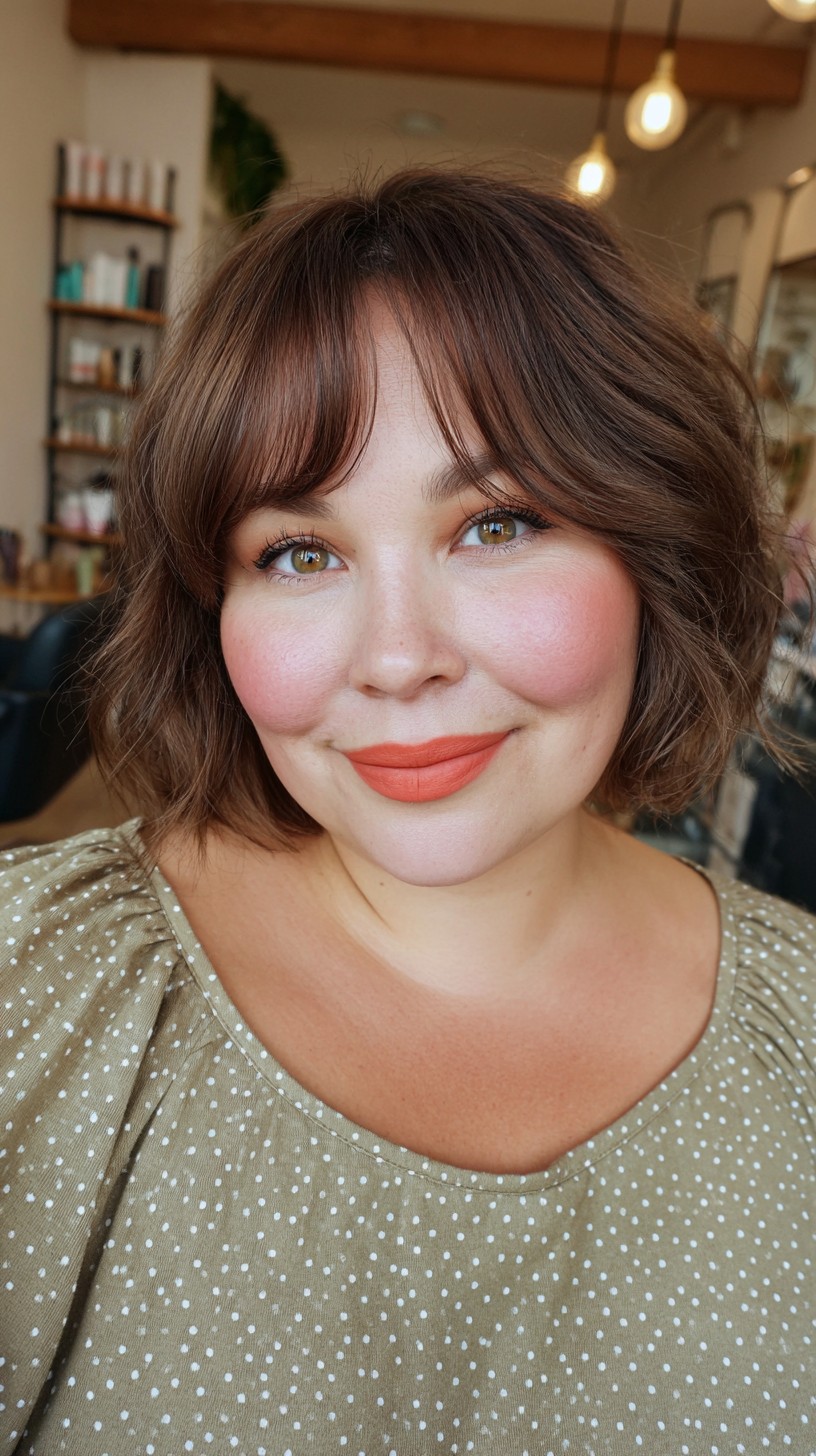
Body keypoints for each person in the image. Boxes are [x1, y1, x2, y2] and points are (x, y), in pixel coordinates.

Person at [2, 168, 815, 1456]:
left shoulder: (800, 1039)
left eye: (496, 524)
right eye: (299, 552)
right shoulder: (35, 997)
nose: (396, 657)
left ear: (654, 542)